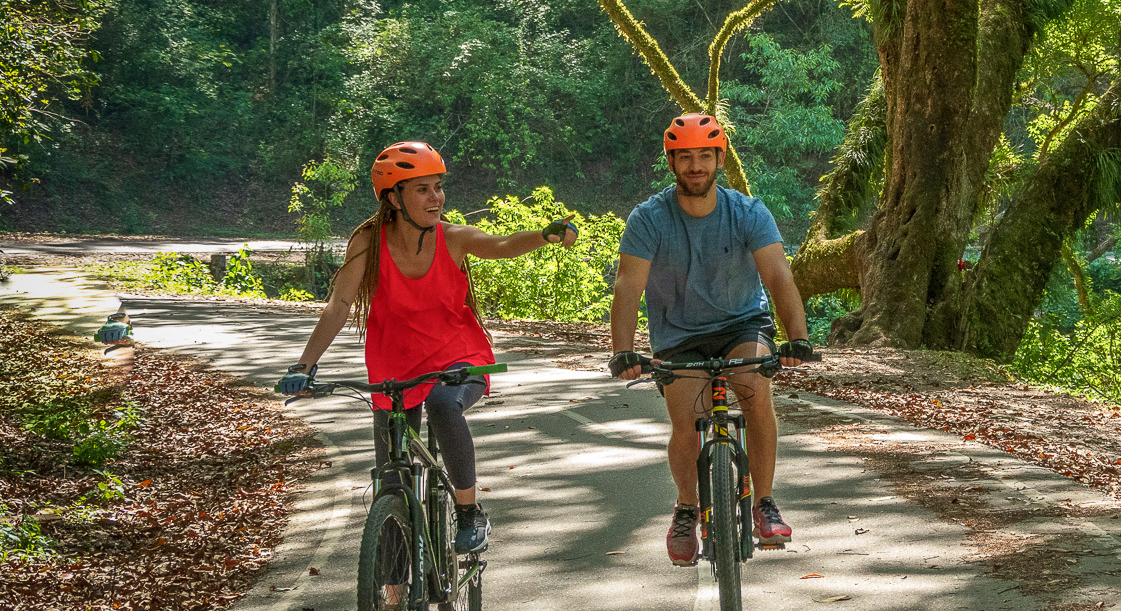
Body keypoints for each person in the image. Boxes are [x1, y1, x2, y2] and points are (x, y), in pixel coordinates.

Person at [276, 140, 576, 554]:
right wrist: (303, 366)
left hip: (459, 357)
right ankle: (394, 602)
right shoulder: (368, 242)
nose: (436, 197)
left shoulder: (451, 239)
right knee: (392, 487)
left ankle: (470, 512)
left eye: (438, 186)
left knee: (442, 405)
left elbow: (501, 245)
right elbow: (340, 304)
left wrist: (545, 234)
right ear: (394, 198)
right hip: (394, 369)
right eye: (422, 189)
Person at [607, 114, 814, 566]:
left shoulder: (748, 212)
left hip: (742, 324)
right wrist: (622, 351)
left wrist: (797, 337)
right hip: (677, 335)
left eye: (704, 155)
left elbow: (778, 276)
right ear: (672, 163)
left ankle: (764, 502)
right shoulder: (649, 219)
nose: (695, 165)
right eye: (685, 157)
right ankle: (686, 507)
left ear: (719, 159)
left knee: (754, 390)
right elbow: (628, 286)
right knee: (686, 421)